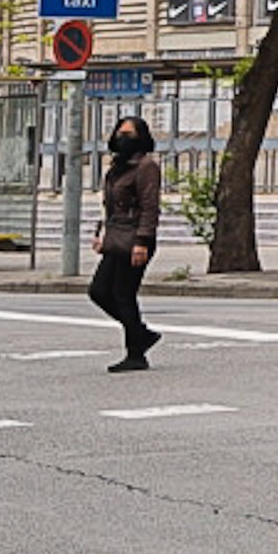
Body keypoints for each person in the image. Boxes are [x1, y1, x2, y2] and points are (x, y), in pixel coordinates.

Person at [90, 116, 162, 370]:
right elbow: (109, 207)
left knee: (123, 295)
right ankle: (141, 334)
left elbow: (149, 207)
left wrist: (142, 241)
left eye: (130, 134)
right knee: (98, 291)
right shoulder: (117, 167)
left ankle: (136, 353)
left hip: (135, 239)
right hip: (116, 237)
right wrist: (101, 234)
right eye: (120, 133)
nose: (123, 139)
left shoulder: (146, 167)